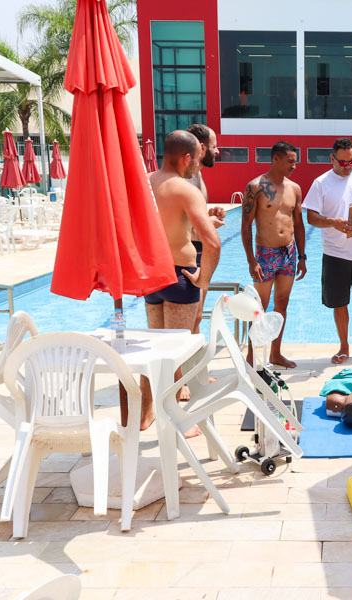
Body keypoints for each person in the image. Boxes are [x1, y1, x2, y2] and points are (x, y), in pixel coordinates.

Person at [134, 130, 220, 433]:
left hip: (151, 275)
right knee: (174, 353)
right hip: (181, 277)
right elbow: (212, 243)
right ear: (186, 158)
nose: (197, 163)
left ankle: (146, 414)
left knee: (153, 352)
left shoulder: (144, 182)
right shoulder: (185, 190)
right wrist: (203, 278)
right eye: (196, 158)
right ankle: (177, 423)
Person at [302, 137, 352, 364]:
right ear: (332, 159)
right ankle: (343, 347)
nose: (348, 166)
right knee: (339, 303)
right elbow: (311, 217)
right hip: (335, 254)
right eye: (343, 162)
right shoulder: (321, 183)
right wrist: (333, 223)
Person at [241, 141, 307, 368]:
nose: (294, 166)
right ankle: (251, 356)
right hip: (265, 254)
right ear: (275, 159)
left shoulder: (295, 188)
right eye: (290, 161)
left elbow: (299, 224)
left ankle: (275, 354)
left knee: (282, 304)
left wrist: (302, 257)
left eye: (295, 162)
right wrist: (251, 260)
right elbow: (246, 225)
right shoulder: (255, 187)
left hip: (289, 252)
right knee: (259, 306)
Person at [186, 123, 226, 335]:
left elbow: (193, 214)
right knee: (192, 316)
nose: (217, 151)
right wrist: (208, 225)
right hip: (190, 252)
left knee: (197, 315)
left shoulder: (197, 175)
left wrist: (208, 213)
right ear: (201, 148)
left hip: (199, 252)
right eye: (214, 146)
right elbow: (182, 224)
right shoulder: (187, 179)